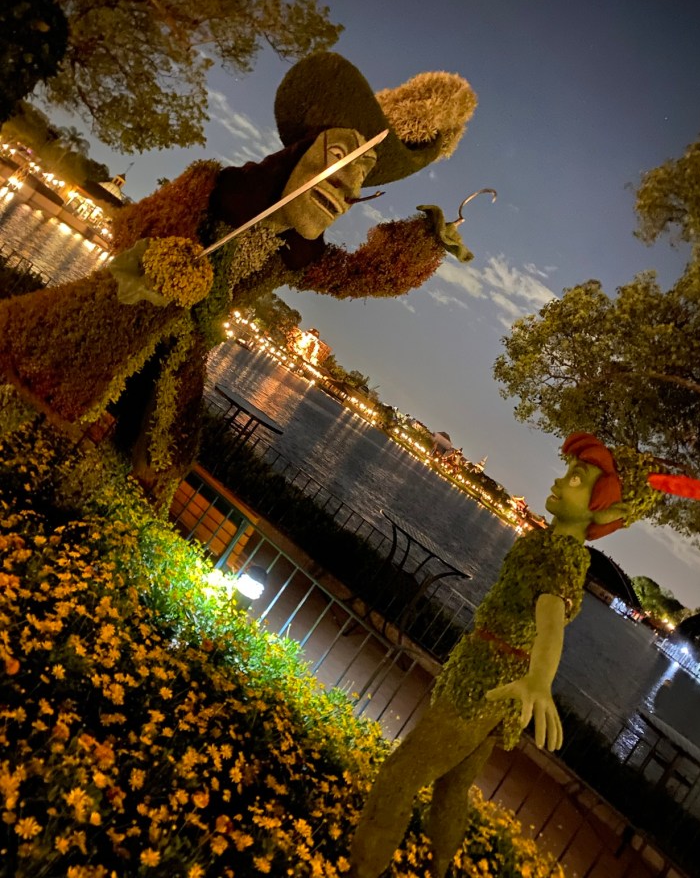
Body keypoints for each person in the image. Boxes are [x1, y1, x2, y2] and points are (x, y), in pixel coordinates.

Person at [0, 53, 479, 499]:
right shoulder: (217, 188)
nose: (348, 182)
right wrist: (165, 257)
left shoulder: (293, 251)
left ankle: (93, 511)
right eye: (340, 159)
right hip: (110, 322)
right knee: (31, 385)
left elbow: (361, 275)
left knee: (149, 458)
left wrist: (427, 241)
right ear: (305, 153)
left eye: (363, 171)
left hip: (178, 361)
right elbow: (128, 227)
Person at [349, 432, 627, 878]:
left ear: (600, 510)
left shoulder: (557, 560)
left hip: (483, 684)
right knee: (452, 785)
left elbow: (551, 614)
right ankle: (439, 868)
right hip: (500, 684)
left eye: (575, 479)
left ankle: (364, 870)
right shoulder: (556, 550)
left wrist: (540, 679)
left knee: (399, 778)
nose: (559, 481)